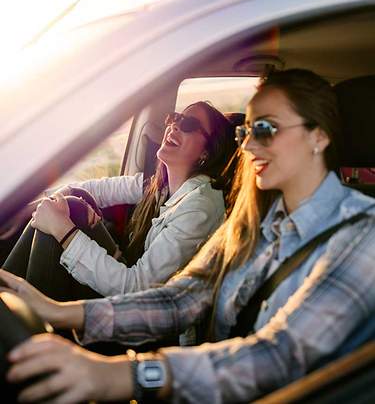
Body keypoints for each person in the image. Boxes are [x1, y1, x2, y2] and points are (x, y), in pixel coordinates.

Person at [2, 69, 375, 404]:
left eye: (265, 129)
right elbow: (182, 299)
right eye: (247, 131)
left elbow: (278, 356)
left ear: (319, 137)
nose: (246, 146)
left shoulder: (363, 236)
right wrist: (61, 312)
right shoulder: (253, 222)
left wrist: (122, 375)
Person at [3, 101, 237, 300]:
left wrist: (63, 230)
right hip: (127, 288)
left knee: (68, 211)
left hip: (145, 321)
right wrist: (34, 208)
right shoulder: (159, 185)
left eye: (188, 124)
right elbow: (93, 189)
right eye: (175, 118)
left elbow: (137, 288)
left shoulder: (200, 208)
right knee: (73, 201)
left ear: (207, 152)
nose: (175, 125)